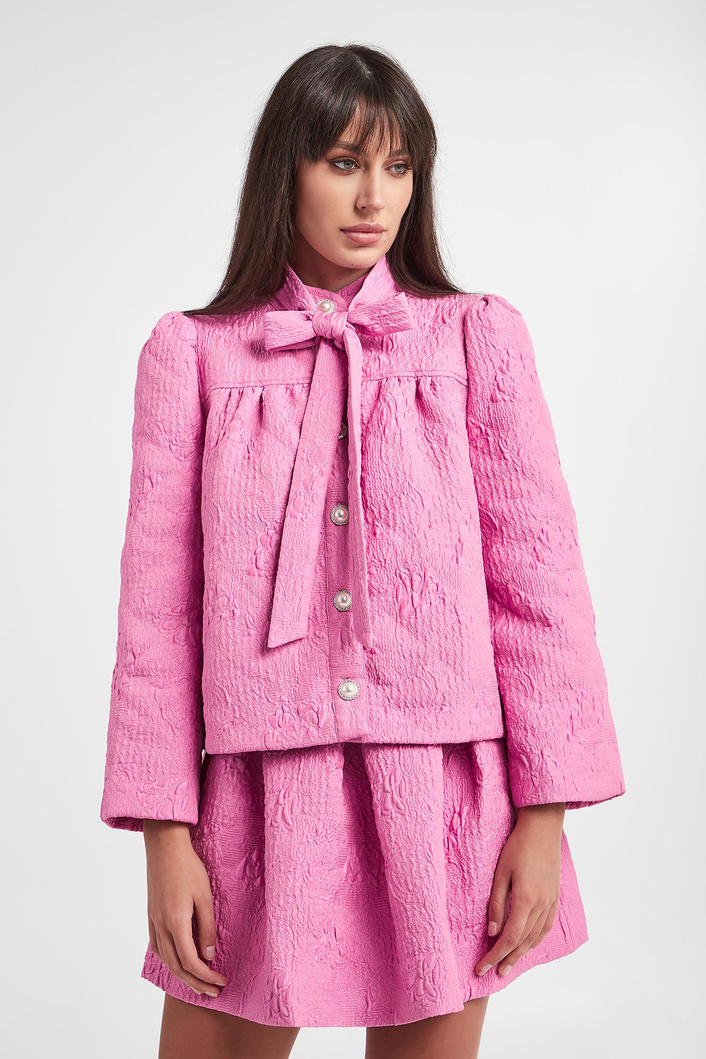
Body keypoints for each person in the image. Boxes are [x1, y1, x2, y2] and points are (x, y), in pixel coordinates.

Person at [99, 42, 626, 1059]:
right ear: (285, 169)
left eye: (397, 166)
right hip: (254, 801)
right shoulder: (192, 354)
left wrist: (544, 816)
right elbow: (156, 618)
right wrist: (165, 835)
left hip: (444, 794)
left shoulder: (477, 338)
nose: (373, 196)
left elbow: (539, 586)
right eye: (343, 162)